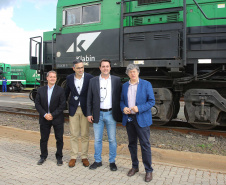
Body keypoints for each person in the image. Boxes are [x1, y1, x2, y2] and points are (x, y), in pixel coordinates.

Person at [120, 64, 155, 182]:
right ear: (128, 74)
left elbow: (151, 101)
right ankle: (135, 166)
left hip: (142, 119)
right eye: (130, 72)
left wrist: (139, 108)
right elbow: (121, 101)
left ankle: (148, 170)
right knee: (132, 144)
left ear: (138, 72)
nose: (132, 74)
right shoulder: (125, 86)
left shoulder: (146, 84)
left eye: (134, 71)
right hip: (129, 119)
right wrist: (123, 108)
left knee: (145, 145)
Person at [87, 59, 122, 171]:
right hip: (98, 114)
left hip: (111, 113)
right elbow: (89, 98)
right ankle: (98, 161)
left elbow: (121, 97)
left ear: (110, 68)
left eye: (107, 66)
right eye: (103, 66)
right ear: (100, 68)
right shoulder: (93, 81)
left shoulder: (116, 80)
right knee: (97, 139)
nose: (105, 68)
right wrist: (89, 113)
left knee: (112, 139)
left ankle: (112, 162)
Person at [65, 60, 93, 168]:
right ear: (74, 69)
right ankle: (73, 157)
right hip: (74, 109)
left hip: (86, 110)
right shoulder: (69, 78)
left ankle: (84, 156)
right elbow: (66, 93)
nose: (80, 70)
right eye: (78, 68)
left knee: (85, 134)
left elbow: (92, 94)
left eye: (82, 67)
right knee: (74, 134)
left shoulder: (89, 78)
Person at [35, 70, 66, 166]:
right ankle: (43, 156)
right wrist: (45, 114)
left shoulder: (60, 90)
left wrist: (52, 115)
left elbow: (62, 105)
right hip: (44, 118)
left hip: (57, 118)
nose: (53, 78)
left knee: (59, 139)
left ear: (56, 79)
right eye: (51, 77)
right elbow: (37, 104)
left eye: (54, 77)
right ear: (47, 78)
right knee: (43, 139)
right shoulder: (40, 90)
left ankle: (59, 157)